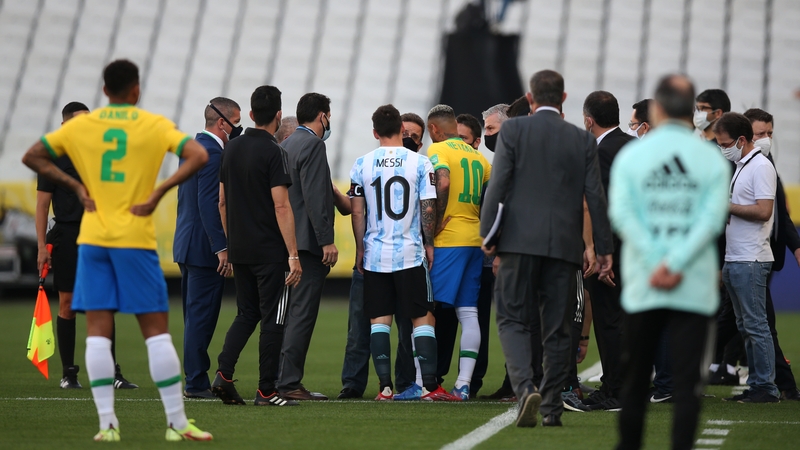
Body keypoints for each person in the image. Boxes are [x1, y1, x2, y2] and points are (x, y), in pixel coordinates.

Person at [22, 59, 212, 442]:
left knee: (96, 332)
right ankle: (177, 423)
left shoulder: (81, 127)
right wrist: (159, 190)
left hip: (92, 240)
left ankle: (107, 424)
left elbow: (32, 156)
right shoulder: (154, 124)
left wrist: (74, 186)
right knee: (156, 333)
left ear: (104, 91)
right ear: (136, 90)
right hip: (134, 241)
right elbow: (198, 155)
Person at [480, 69, 614, 428]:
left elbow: (499, 188)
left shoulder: (513, 131)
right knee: (557, 328)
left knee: (512, 319)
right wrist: (603, 250)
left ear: (531, 97)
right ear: (564, 99)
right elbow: (595, 198)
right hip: (564, 247)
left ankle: (526, 389)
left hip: (518, 244)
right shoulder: (582, 140)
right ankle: (553, 405)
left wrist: (489, 236)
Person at [610, 74, 731, 450]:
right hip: (692, 284)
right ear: (692, 109)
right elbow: (712, 219)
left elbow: (622, 214)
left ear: (657, 109)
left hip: (645, 281)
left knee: (633, 380)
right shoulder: (709, 157)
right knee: (686, 384)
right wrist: (676, 261)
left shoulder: (633, 154)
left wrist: (655, 260)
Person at [350, 104, 456, 402]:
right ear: (401, 129)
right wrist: (430, 242)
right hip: (410, 251)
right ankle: (430, 387)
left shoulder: (361, 164)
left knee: (379, 321)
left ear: (374, 132)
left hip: (375, 253)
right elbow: (428, 208)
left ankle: (385, 388)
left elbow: (358, 212)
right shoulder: (420, 164)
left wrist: (360, 247)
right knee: (421, 318)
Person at [35, 101, 138, 391]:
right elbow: (42, 206)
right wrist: (42, 246)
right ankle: (69, 374)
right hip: (67, 237)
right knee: (67, 304)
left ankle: (112, 372)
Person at [211, 85, 303, 408]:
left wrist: (231, 243)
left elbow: (221, 202)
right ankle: (267, 391)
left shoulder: (231, 149)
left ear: (250, 114)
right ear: (278, 115)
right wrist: (293, 254)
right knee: (274, 319)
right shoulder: (275, 152)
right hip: (270, 253)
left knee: (246, 313)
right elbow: (282, 206)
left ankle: (223, 373)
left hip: (241, 250)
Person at [174, 97, 239, 400]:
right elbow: (210, 203)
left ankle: (194, 377)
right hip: (204, 249)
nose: (238, 128)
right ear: (222, 123)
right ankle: (196, 382)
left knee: (193, 316)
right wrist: (221, 247)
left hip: (187, 243)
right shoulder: (213, 153)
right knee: (201, 317)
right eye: (236, 122)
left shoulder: (191, 149)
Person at [427, 104, 492, 401]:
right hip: (474, 238)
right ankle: (463, 384)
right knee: (468, 312)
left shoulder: (437, 150)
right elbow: (492, 199)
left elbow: (443, 180)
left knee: (429, 310)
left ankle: (422, 382)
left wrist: (435, 225)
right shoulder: (480, 158)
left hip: (448, 239)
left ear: (434, 130)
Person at [714, 112, 781, 403]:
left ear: (741, 140)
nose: (721, 148)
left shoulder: (760, 167)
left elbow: (764, 211)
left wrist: (727, 207)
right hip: (737, 257)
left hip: (751, 258)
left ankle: (765, 387)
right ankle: (757, 383)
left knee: (755, 325)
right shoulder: (743, 165)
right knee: (745, 326)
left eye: (724, 143)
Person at [278, 92, 338, 401]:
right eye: (328, 114)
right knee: (302, 314)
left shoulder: (285, 145)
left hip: (286, 243)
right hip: (307, 246)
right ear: (322, 115)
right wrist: (326, 239)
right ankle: (288, 383)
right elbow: (316, 197)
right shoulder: (314, 145)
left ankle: (278, 377)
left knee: (285, 315)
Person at [580, 90, 634, 411]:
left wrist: (602, 252)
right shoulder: (634, 146)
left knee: (609, 319)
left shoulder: (600, 152)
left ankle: (615, 389)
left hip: (613, 249)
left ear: (589, 120)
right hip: (638, 246)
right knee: (626, 321)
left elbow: (600, 205)